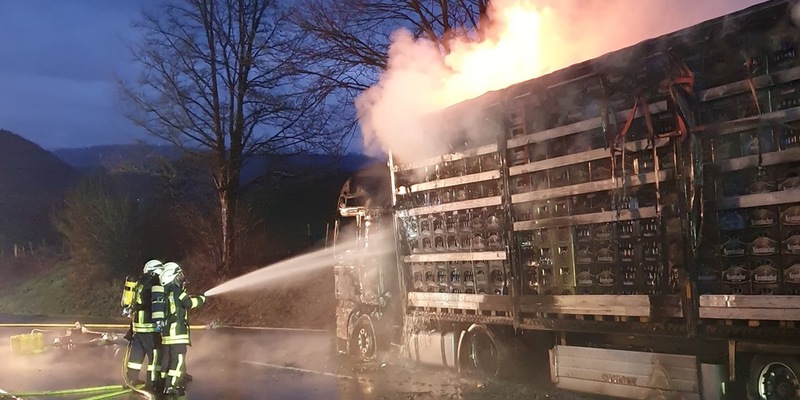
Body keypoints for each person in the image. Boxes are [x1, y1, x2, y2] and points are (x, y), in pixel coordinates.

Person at [158, 262, 206, 396]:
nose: (181, 278)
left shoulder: (164, 292)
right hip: (177, 333)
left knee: (166, 359)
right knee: (178, 359)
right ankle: (170, 386)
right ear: (171, 276)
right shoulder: (177, 291)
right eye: (178, 275)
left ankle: (163, 382)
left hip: (166, 334)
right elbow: (189, 303)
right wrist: (202, 298)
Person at [124, 259, 166, 390]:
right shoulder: (153, 283)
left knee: (136, 355)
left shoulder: (139, 282)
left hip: (138, 326)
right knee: (155, 355)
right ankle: (152, 382)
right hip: (150, 327)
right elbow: (156, 302)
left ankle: (131, 378)